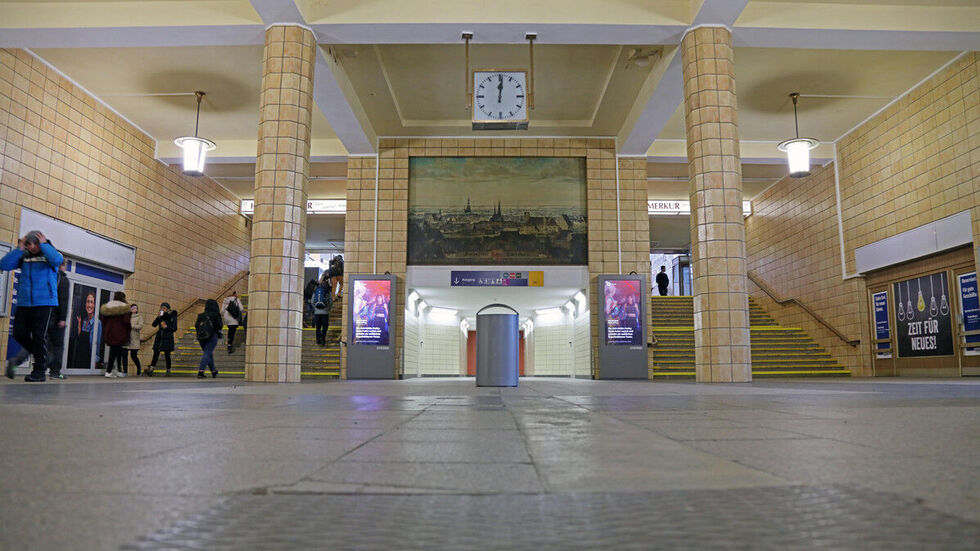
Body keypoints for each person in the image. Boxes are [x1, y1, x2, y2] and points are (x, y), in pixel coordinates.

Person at [1, 231, 64, 381]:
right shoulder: (24, 256)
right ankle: (45, 356)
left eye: (35, 243)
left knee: (38, 336)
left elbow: (57, 259)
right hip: (24, 302)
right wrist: (20, 248)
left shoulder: (49, 255)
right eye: (29, 244)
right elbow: (4, 264)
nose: (32, 246)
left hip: (44, 302)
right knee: (18, 333)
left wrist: (45, 245)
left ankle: (39, 372)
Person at [45, 259, 70, 379]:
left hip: (45, 316)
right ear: (63, 265)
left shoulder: (48, 276)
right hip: (56, 319)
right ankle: (55, 372)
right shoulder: (63, 279)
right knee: (58, 346)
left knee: (44, 343)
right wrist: (62, 318)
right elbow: (63, 300)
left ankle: (39, 367)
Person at [99, 291, 132, 377]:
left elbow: (103, 320)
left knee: (116, 351)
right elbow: (126, 322)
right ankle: (109, 371)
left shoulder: (108, 306)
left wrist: (106, 329)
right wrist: (128, 330)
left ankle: (117, 370)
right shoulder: (124, 307)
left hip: (110, 332)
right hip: (120, 333)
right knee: (114, 352)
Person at [145, 303, 177, 376]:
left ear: (168, 309)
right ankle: (151, 369)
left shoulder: (172, 316)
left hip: (168, 338)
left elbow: (174, 328)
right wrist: (158, 317)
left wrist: (167, 327)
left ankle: (168, 370)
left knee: (167, 355)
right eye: (161, 308)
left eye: (164, 308)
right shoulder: (161, 316)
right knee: (156, 353)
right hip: (159, 337)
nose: (162, 309)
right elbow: (154, 324)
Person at [196, 299, 223, 378]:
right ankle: (201, 371)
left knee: (208, 353)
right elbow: (220, 326)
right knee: (207, 353)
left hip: (201, 337)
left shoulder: (201, 315)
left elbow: (196, 326)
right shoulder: (216, 315)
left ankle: (213, 371)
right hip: (212, 335)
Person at [312, 277, 332, 346]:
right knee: (325, 326)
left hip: (317, 313)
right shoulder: (327, 291)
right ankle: (323, 339)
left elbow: (312, 301)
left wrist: (315, 309)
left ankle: (318, 339)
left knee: (318, 326)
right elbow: (330, 301)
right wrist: (328, 309)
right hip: (325, 312)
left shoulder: (316, 290)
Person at [126, 303, 143, 375]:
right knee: (124, 355)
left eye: (135, 308)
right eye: (132, 308)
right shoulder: (127, 316)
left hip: (135, 338)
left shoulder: (139, 317)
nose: (134, 309)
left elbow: (140, 326)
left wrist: (132, 326)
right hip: (127, 338)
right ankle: (124, 371)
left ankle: (139, 368)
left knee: (133, 355)